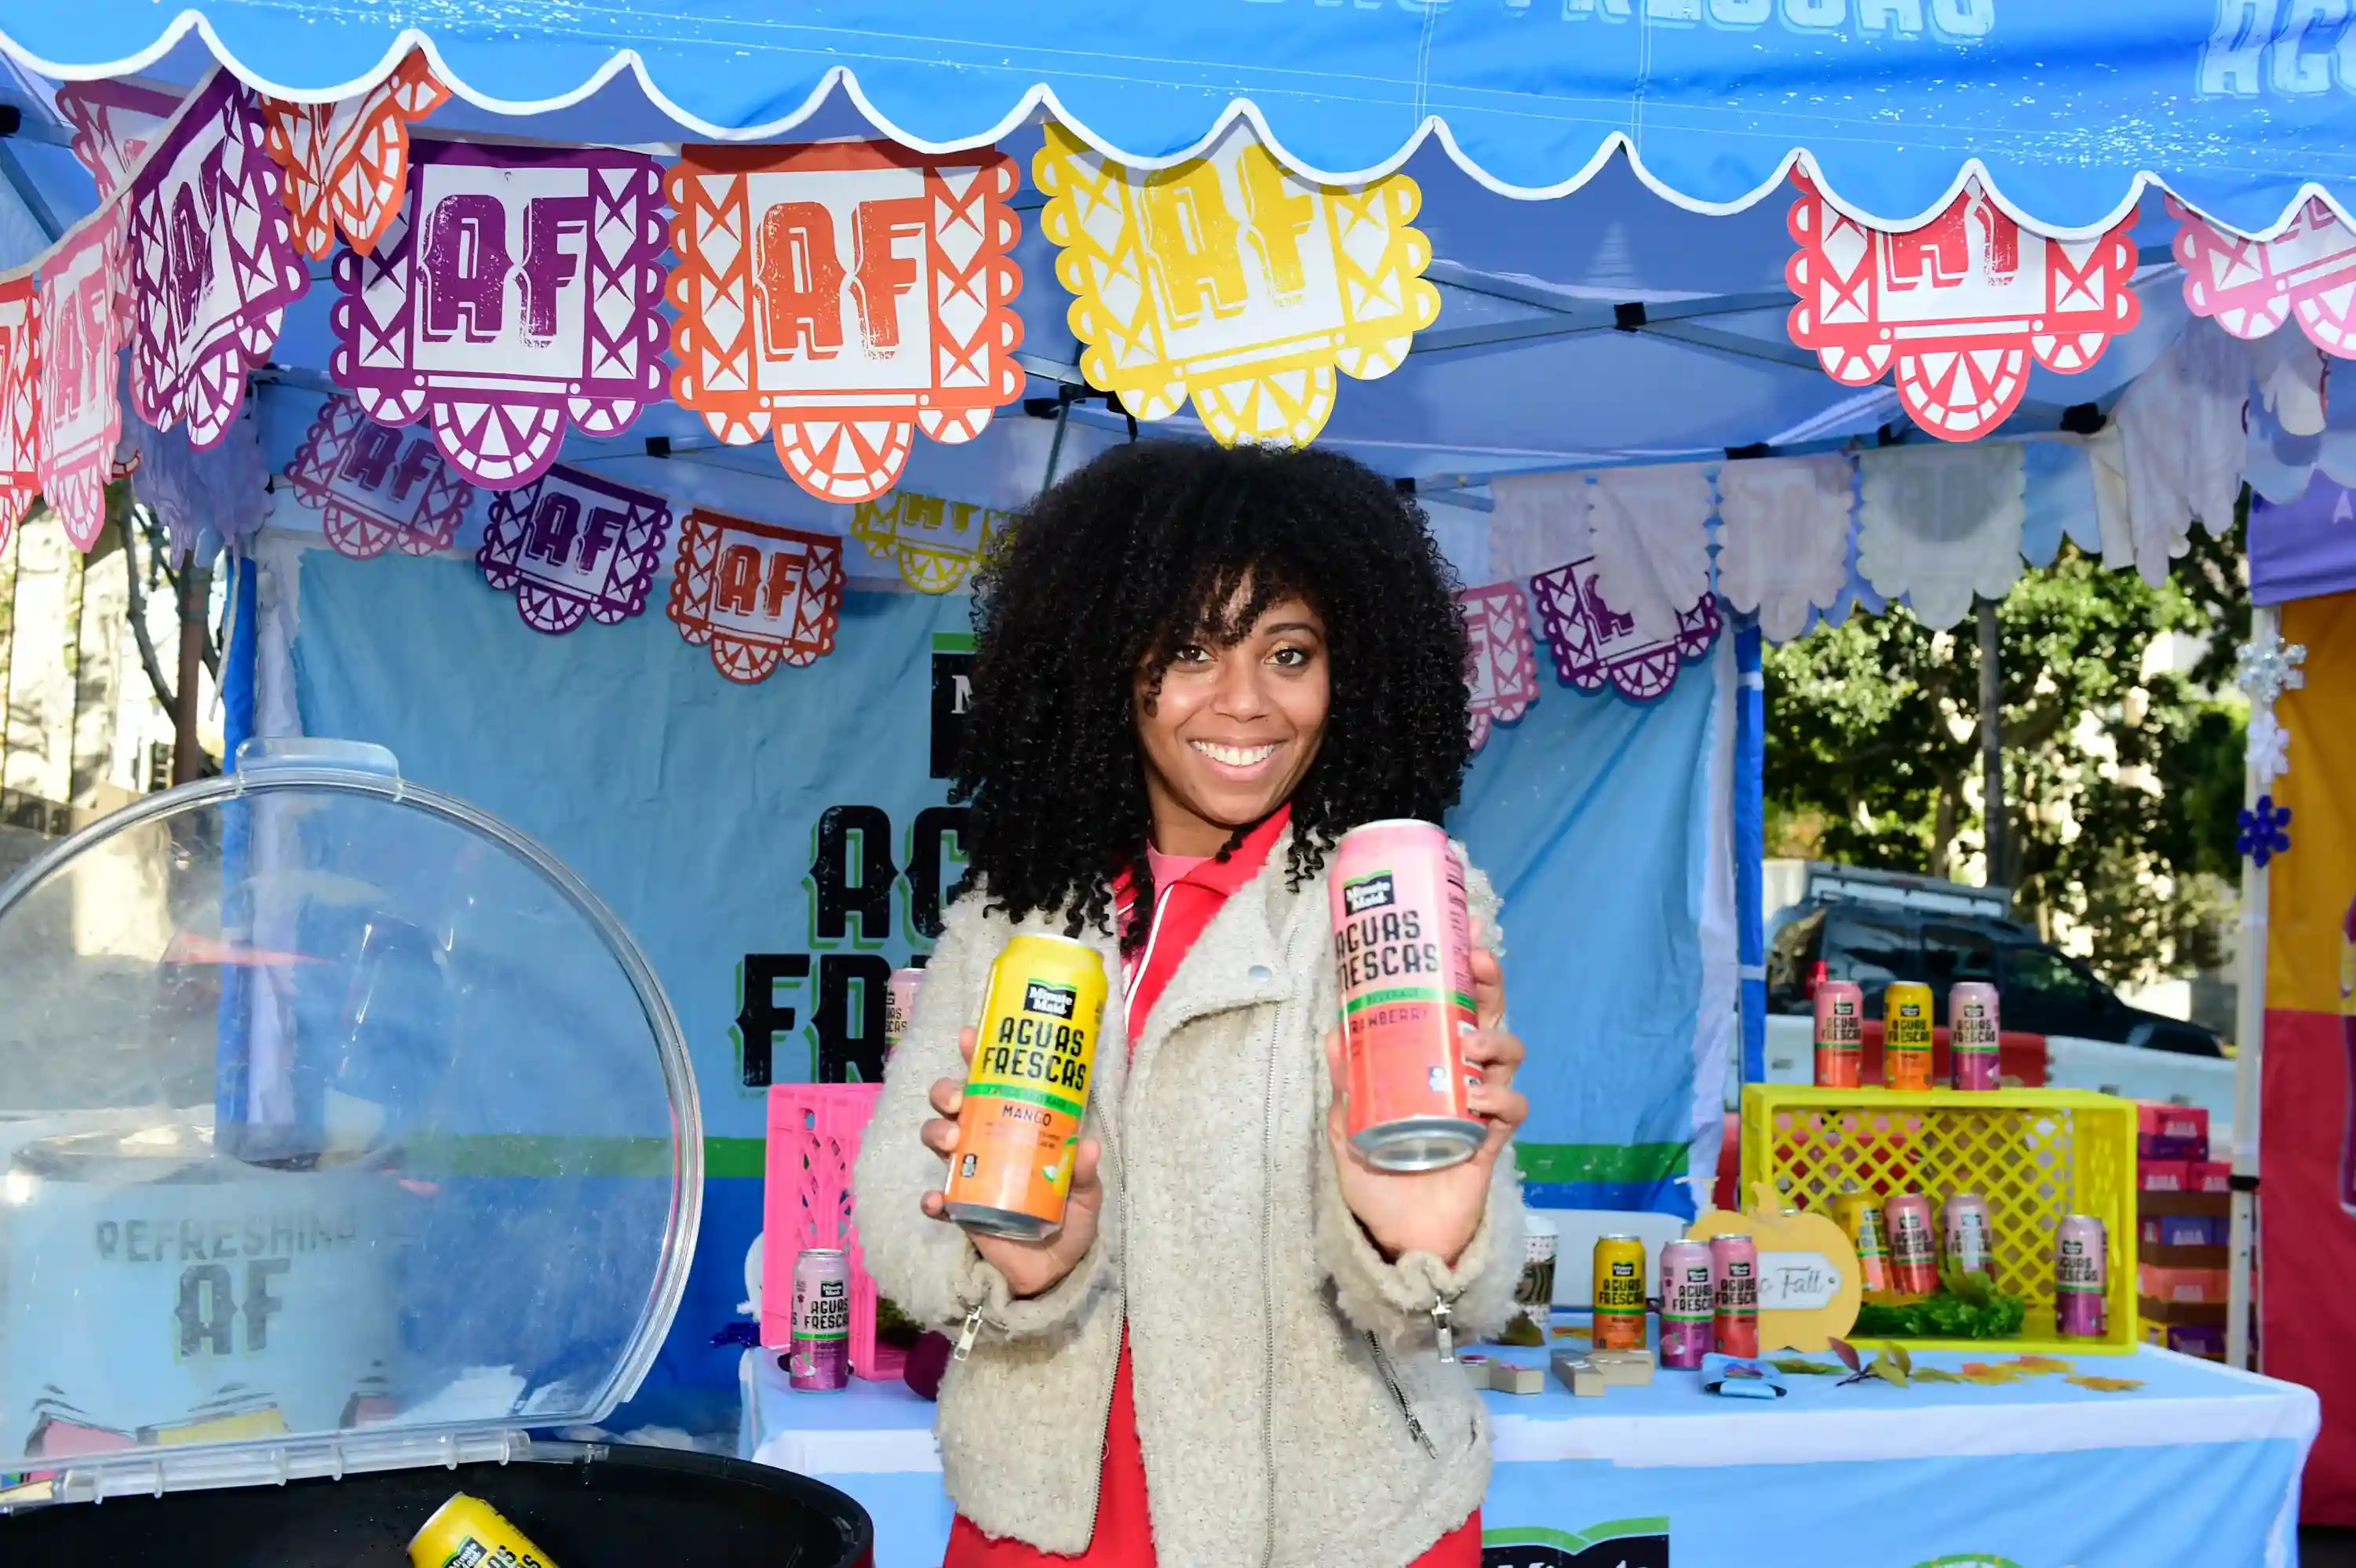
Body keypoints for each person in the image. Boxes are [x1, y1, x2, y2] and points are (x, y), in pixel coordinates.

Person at [853, 441, 1529, 1568]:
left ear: (1348, 672)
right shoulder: (1006, 916)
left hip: (1346, 1530)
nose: (1245, 703)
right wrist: (1026, 1263)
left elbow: (1465, 1281)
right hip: (1054, 1527)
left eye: (1289, 652)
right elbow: (898, 1213)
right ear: (1105, 662)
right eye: (1188, 651)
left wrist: (1417, 1237)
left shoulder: (1401, 902)